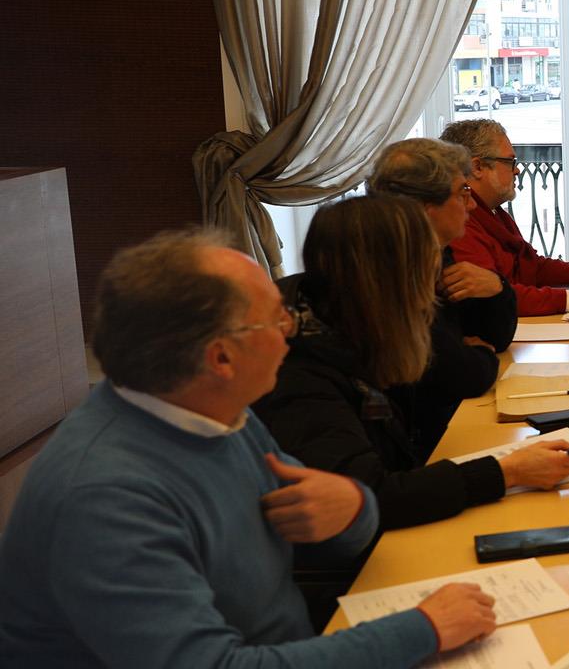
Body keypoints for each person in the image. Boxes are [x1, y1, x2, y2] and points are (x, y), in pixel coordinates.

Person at [0, 230, 497, 666]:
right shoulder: (105, 498)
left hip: (291, 639)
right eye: (276, 320)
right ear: (221, 358)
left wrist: (353, 508)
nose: (291, 333)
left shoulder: (215, 411)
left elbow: (322, 531)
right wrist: (423, 629)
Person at [254, 196, 569, 530]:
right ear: (388, 281)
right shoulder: (302, 377)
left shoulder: (349, 327)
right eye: (425, 270)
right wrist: (507, 471)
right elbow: (369, 497)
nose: (434, 290)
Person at [369, 137, 516, 454]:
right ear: (425, 208)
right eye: (463, 193)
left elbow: (495, 338)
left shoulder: (436, 254)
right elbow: (461, 373)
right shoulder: (389, 271)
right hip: (413, 449)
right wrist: (479, 355)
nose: (472, 205)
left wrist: (497, 289)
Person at [442, 119, 569, 315]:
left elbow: (534, 267)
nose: (517, 170)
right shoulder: (458, 225)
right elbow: (490, 295)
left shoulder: (495, 213)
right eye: (510, 162)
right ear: (477, 167)